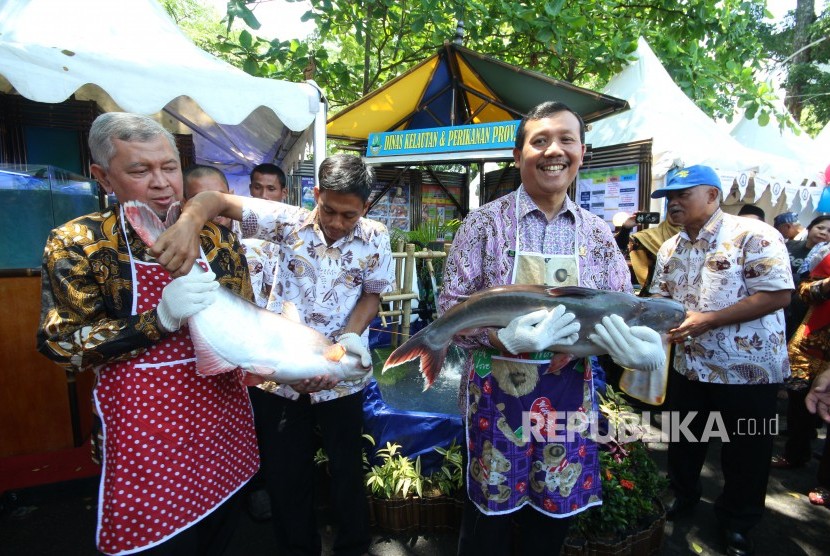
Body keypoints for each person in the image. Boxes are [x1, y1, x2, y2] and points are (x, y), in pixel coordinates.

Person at [439, 101, 666, 556]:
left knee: (550, 526)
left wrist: (642, 351)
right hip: (493, 403)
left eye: (565, 139)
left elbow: (623, 314)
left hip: (568, 405)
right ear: (518, 153)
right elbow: (449, 307)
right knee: (487, 529)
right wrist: (501, 338)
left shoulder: (599, 235)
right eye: (539, 140)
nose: (553, 150)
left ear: (582, 150)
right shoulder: (483, 224)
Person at [36, 113, 259, 555]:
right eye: (140, 171)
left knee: (223, 537)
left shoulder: (218, 240)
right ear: (103, 177)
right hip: (146, 439)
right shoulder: (80, 242)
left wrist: (303, 363)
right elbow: (62, 345)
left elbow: (246, 325)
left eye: (169, 167)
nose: (162, 183)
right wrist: (160, 319)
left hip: (222, 428)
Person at [151, 153, 395, 556]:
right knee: (287, 476)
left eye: (348, 216)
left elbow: (372, 294)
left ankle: (353, 547)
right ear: (316, 194)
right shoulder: (288, 220)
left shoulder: (376, 236)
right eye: (328, 210)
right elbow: (214, 200)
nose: (336, 223)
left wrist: (345, 342)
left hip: (342, 373)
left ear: (365, 208)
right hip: (277, 372)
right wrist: (189, 223)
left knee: (347, 469)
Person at [651, 165, 793, 556]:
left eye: (683, 195)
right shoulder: (669, 247)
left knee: (746, 451)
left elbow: (778, 294)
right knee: (684, 439)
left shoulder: (755, 234)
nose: (674, 204)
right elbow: (662, 302)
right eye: (669, 198)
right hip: (690, 366)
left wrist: (709, 320)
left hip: (750, 371)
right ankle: (682, 496)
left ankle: (738, 522)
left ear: (712, 195)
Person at [774, 241, 830, 508]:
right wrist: (827, 286)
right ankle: (796, 453)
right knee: (799, 401)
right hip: (813, 342)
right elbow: (803, 292)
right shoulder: (826, 258)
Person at [183, 164, 279, 309]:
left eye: (219, 198)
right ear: (184, 203)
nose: (212, 207)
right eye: (200, 200)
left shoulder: (261, 239)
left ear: (231, 196)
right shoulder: (181, 243)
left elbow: (273, 295)